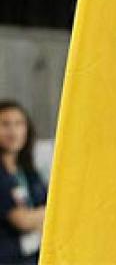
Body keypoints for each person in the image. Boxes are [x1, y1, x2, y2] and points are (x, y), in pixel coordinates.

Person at [0, 101, 46, 263]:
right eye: (5, 124)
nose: (13, 132)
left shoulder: (28, 170)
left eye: (19, 124)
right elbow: (22, 220)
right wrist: (47, 215)